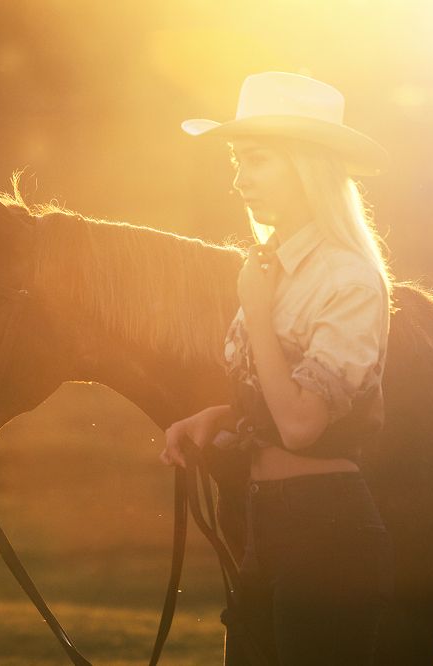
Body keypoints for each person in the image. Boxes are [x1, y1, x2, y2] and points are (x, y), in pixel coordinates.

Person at [162, 72, 395, 665]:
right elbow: (276, 400)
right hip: (265, 525)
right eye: (237, 161)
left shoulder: (348, 279)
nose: (240, 179)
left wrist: (258, 314)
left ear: (306, 166)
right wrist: (217, 416)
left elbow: (300, 427)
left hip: (326, 529)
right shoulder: (272, 270)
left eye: (257, 161)